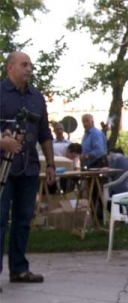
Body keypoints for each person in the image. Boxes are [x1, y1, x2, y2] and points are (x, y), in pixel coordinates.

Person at [0, 51, 56, 289]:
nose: (29, 69)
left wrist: (51, 163)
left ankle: (19, 270)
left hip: (29, 167)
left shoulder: (37, 98)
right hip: (2, 168)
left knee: (23, 220)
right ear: (10, 67)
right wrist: (2, 142)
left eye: (30, 65)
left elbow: (44, 133)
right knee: (0, 220)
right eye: (24, 65)